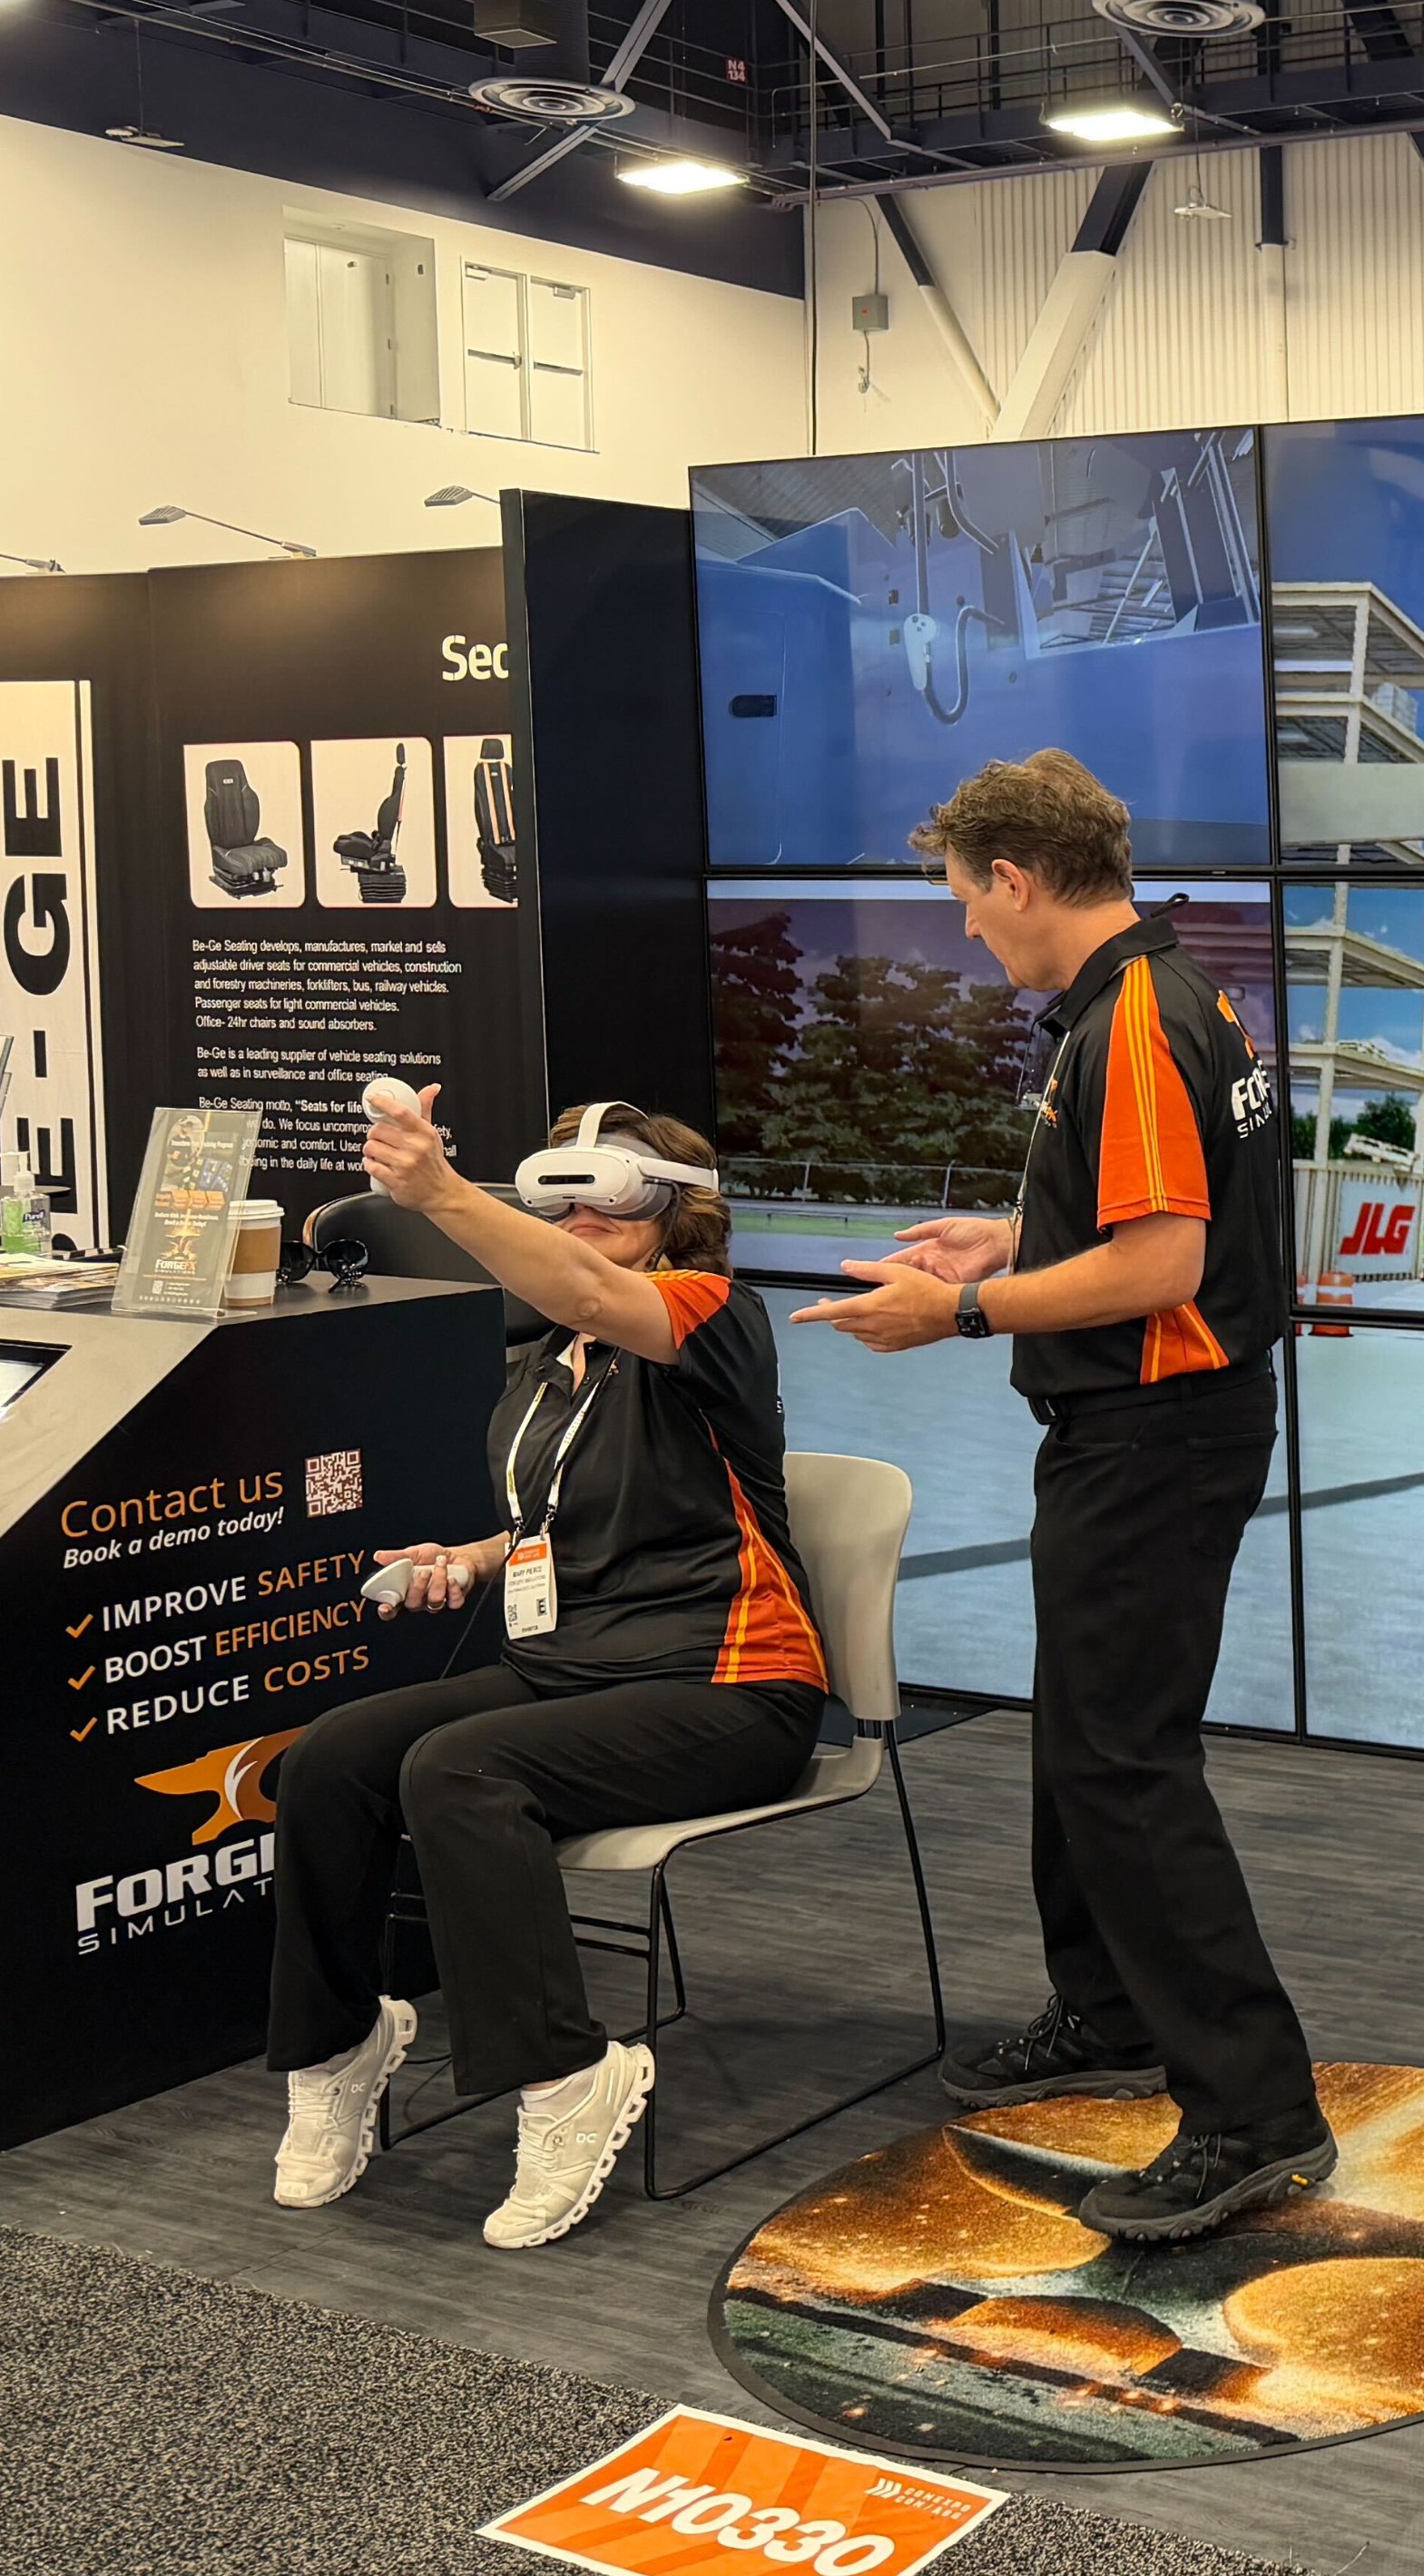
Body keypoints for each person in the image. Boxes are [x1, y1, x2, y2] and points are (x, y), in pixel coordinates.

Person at [793, 748, 1331, 2245]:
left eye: (971, 902)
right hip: (1138, 1425)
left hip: (1157, 1431)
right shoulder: (1160, 994)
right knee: (1081, 1743)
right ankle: (1105, 2010)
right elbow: (1154, 1216)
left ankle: (1253, 2108)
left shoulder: (1139, 1020)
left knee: (1122, 1765)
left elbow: (1164, 1264)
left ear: (1019, 882)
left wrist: (954, 1315)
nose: (970, 928)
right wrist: (1013, 1231)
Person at [270, 1098, 827, 2250]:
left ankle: (565, 2072)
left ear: (676, 1206)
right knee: (332, 1760)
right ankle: (336, 2043)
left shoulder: (710, 1313)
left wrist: (434, 1191)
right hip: (574, 1668)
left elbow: (590, 1292)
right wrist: (471, 1557)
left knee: (461, 1769)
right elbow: (556, 1516)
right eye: (558, 1195)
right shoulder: (541, 1360)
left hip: (729, 1683)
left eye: (605, 1191)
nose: (578, 1215)